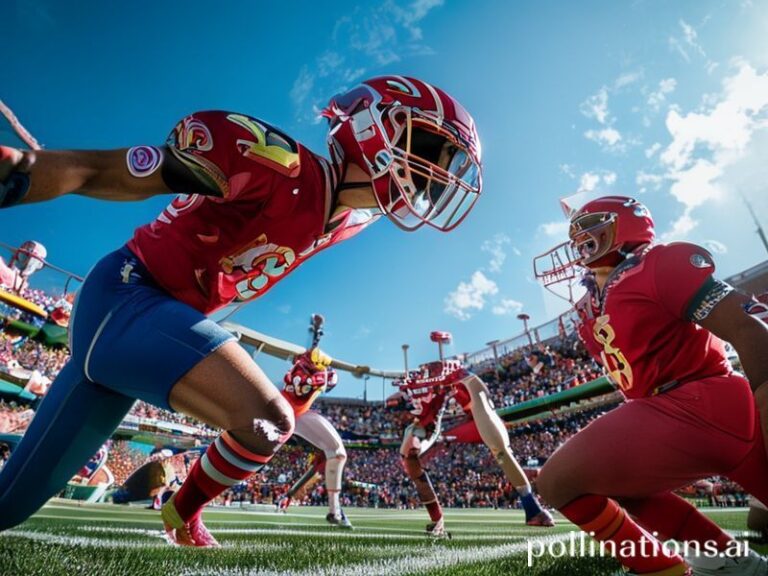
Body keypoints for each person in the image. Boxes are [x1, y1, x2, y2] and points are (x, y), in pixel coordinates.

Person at [0, 76, 483, 547]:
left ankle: (179, 513)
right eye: (425, 150)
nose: (432, 176)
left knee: (7, 506)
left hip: (150, 321)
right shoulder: (278, 163)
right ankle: (183, 516)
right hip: (128, 295)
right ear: (369, 127)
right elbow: (110, 170)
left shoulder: (349, 220)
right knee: (268, 418)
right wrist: (24, 167)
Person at [533, 195, 768, 575]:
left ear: (624, 226)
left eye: (588, 229)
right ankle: (731, 563)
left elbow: (750, 327)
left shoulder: (656, 264)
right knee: (625, 486)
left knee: (558, 482)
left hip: (701, 400)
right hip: (692, 409)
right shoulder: (595, 305)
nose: (577, 244)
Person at [392, 332, 554, 538]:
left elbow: (464, 382)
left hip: (472, 396)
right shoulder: (426, 387)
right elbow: (426, 411)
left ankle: (531, 507)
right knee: (409, 454)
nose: (425, 370)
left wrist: (444, 376)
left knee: (501, 450)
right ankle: (531, 509)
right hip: (458, 407)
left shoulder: (455, 372)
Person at [275, 346, 353, 528]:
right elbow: (324, 381)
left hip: (288, 412)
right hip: (291, 414)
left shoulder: (299, 368)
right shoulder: (320, 376)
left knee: (335, 453)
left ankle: (336, 511)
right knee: (336, 453)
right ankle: (335, 511)